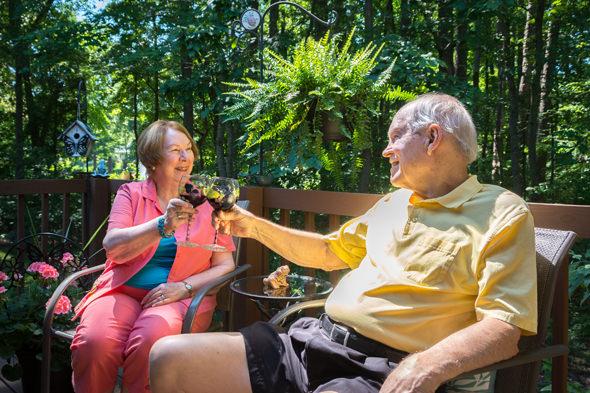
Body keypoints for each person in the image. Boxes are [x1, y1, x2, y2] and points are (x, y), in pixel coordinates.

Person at [149, 93, 536, 393]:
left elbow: (504, 329)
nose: (386, 151)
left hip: (378, 369)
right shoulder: (392, 203)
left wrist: (425, 366)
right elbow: (327, 251)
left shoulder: (501, 212)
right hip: (309, 342)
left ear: (433, 137)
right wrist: (254, 226)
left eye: (396, 138)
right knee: (170, 358)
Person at [71, 120, 235, 393]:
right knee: (94, 343)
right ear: (153, 161)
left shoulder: (206, 201)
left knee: (151, 342)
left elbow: (225, 265)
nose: (185, 157)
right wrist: (162, 225)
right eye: (175, 150)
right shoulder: (131, 194)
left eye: (188, 149)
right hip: (121, 292)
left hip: (179, 298)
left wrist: (182, 288)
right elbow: (112, 246)